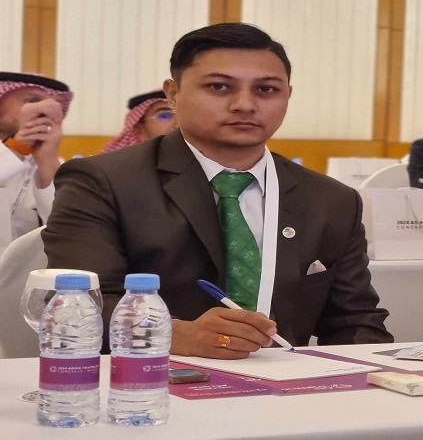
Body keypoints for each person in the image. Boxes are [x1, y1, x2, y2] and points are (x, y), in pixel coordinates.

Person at [43, 23, 392, 358]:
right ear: (173, 94)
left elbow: (355, 321)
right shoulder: (103, 182)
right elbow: (77, 307)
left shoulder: (331, 200)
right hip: (149, 381)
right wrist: (174, 334)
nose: (245, 105)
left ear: (288, 95)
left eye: (266, 90)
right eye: (220, 87)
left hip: (285, 386)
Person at [0, 72, 72, 252]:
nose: (43, 111)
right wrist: (19, 147)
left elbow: (67, 226)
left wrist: (47, 160)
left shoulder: (53, 164)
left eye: (54, 106)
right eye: (32, 101)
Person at [101, 90, 178, 153]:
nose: (178, 125)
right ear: (140, 131)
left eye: (183, 114)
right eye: (165, 116)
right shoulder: (117, 165)